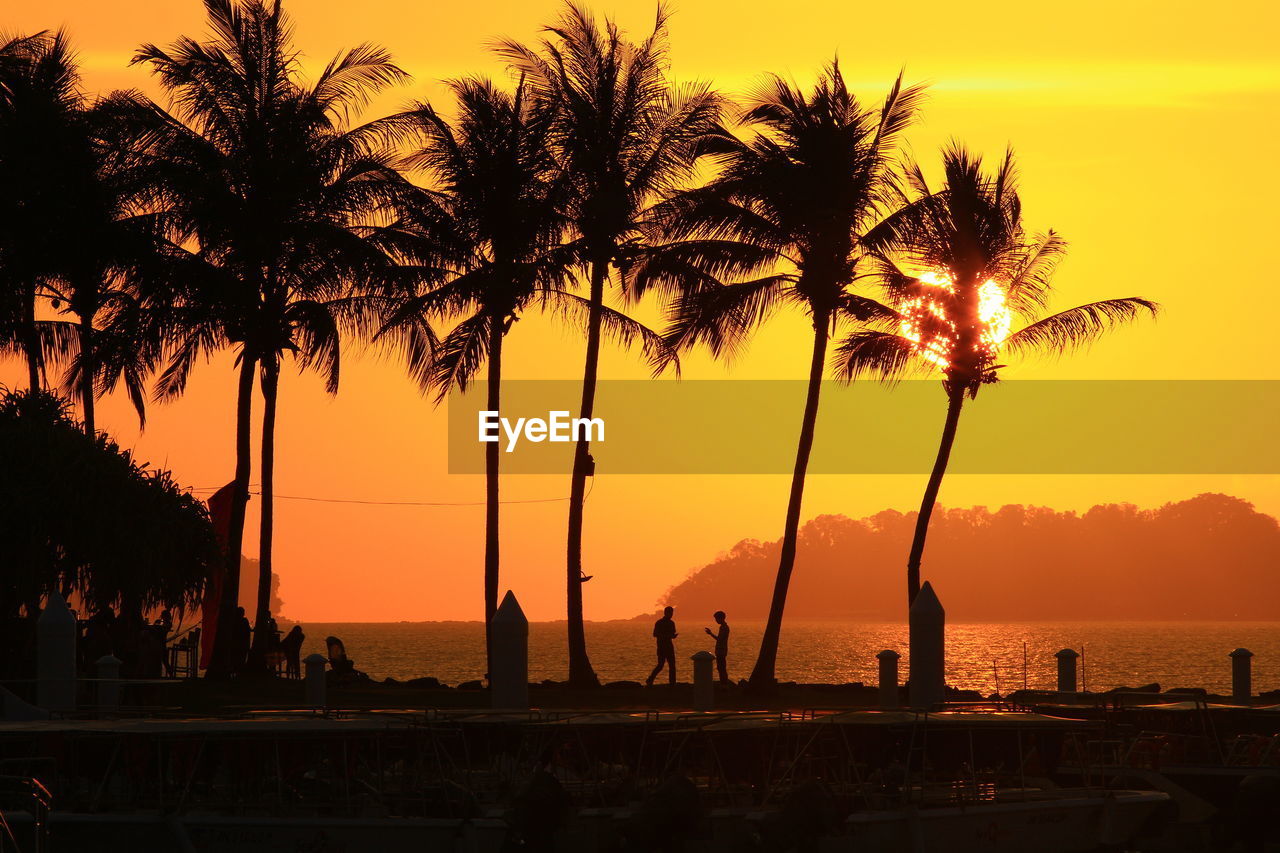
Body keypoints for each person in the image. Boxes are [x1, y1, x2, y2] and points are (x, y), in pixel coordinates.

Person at [646, 606, 678, 686]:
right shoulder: (660, 622)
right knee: (661, 665)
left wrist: (672, 636)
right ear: (666, 613)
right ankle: (650, 679)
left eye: (672, 613)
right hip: (662, 647)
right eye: (670, 613)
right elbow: (655, 634)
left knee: (671, 665)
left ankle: (672, 683)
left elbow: (671, 634)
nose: (671, 614)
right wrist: (668, 636)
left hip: (668, 646)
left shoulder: (671, 623)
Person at [704, 611, 731, 685]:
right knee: (721, 668)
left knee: (721, 668)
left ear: (720, 618)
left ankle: (724, 684)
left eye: (716, 619)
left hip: (721, 651)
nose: (716, 620)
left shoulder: (724, 628)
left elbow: (719, 639)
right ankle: (724, 683)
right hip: (721, 650)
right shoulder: (723, 627)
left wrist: (711, 634)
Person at [232, 607, 252, 676]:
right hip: (243, 644)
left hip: (236, 643)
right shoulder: (244, 621)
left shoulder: (234, 621)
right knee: (241, 659)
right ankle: (239, 673)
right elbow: (247, 631)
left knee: (236, 659)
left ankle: (235, 672)